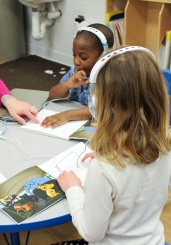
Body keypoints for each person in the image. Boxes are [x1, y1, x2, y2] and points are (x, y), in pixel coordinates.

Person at [55, 47, 171, 244]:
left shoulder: (103, 170)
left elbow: (91, 234)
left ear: (103, 107)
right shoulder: (165, 146)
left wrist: (73, 189)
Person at [41, 23, 114, 128]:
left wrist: (67, 115)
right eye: (74, 54)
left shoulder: (109, 77)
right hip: (74, 120)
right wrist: (67, 84)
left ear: (103, 55)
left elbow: (99, 110)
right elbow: (52, 96)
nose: (76, 61)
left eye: (83, 57)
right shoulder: (75, 71)